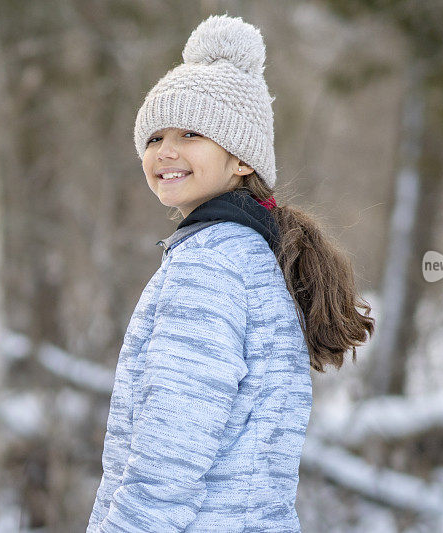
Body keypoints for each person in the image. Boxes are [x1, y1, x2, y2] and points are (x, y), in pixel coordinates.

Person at [87, 14, 374, 532]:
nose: (165, 151)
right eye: (154, 137)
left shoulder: (209, 266)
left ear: (242, 158)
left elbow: (172, 447)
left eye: (191, 133)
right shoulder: (252, 256)